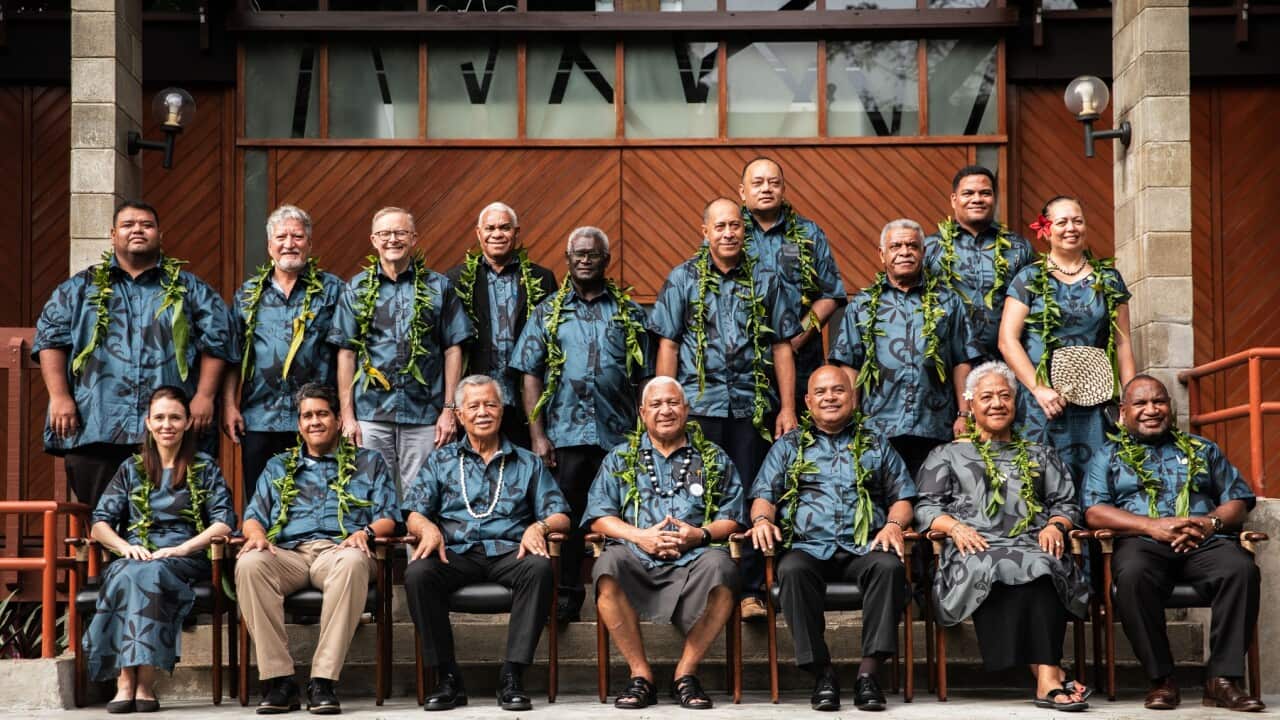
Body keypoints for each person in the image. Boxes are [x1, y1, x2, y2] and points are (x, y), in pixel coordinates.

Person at [650, 197, 801, 620]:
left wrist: (788, 408)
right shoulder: (683, 279)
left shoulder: (767, 280)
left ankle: (751, 590)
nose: (729, 233)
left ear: (744, 230)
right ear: (706, 232)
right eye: (720, 227)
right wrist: (664, 405)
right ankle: (698, 586)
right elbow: (669, 345)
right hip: (699, 412)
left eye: (735, 225)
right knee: (698, 491)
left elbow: (782, 347)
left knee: (754, 493)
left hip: (753, 411)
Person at [34, 200, 237, 506]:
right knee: (102, 515)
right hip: (97, 422)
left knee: (172, 514)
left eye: (146, 225)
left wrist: (205, 396)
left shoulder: (191, 289)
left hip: (169, 428)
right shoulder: (78, 289)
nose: (137, 230)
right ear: (113, 235)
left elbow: (218, 340)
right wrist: (60, 397)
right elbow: (51, 339)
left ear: (160, 235)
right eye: (128, 225)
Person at [915, 361, 1091, 711]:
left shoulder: (1041, 454)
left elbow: (1066, 503)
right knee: (993, 563)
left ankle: (1047, 679)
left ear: (1015, 402)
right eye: (987, 397)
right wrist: (953, 527)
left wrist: (1056, 525)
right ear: (970, 404)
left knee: (1044, 565)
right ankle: (1050, 675)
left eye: (1005, 396)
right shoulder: (947, 455)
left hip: (1032, 543)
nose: (997, 403)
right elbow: (925, 507)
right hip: (973, 548)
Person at [1084, 375, 1262, 712]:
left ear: (1170, 406)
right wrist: (1152, 526)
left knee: (1241, 570)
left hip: (1202, 539)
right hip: (1142, 541)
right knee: (1132, 576)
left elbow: (1239, 499)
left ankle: (1222, 680)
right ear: (1123, 411)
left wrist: (1210, 523)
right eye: (1141, 403)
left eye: (1159, 402)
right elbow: (1094, 511)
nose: (1152, 410)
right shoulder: (1107, 456)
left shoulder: (1203, 449)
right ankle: (1162, 679)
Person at [748, 364, 915, 712]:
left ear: (852, 397)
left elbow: (902, 497)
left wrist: (894, 525)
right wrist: (762, 519)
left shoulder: (875, 443)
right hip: (808, 547)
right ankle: (822, 674)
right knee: (791, 570)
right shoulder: (788, 445)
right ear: (808, 402)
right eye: (821, 392)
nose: (830, 398)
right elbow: (764, 494)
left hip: (864, 546)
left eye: (838, 390)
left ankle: (868, 675)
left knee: (889, 568)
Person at [403, 374, 571, 712]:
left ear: (502, 410)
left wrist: (539, 526)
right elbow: (414, 512)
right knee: (418, 573)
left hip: (510, 551)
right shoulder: (441, 460)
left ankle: (513, 675)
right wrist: (426, 528)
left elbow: (561, 515)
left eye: (490, 404)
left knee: (539, 568)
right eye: (474, 406)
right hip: (456, 553)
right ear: (459, 415)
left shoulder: (527, 461)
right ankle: (447, 678)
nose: (483, 412)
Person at [511, 226, 651, 622]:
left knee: (624, 515)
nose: (585, 260)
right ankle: (567, 596)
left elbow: (645, 376)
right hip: (564, 436)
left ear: (607, 260)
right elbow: (530, 374)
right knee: (567, 519)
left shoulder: (629, 313)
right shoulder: (548, 312)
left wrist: (644, 435)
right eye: (579, 254)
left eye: (593, 254)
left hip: (618, 436)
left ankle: (628, 595)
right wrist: (537, 434)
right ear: (568, 260)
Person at [236, 383, 399, 715]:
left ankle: (323, 680)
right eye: (307, 416)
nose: (314, 421)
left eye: (322, 414)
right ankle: (280, 681)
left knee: (352, 561)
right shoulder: (279, 466)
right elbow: (253, 517)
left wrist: (365, 532)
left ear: (338, 420)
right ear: (299, 424)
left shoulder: (369, 462)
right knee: (250, 564)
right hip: (289, 554)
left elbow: (390, 517)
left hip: (341, 551)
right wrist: (256, 536)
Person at [583, 376, 744, 710]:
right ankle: (641, 675)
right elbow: (598, 516)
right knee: (607, 566)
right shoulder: (620, 457)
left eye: (672, 403)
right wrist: (639, 536)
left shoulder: (712, 457)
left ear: (686, 409)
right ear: (643, 413)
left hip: (695, 559)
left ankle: (685, 674)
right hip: (636, 556)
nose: (665, 410)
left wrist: (699, 535)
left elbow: (733, 515)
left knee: (724, 569)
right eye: (656, 404)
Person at [85, 386, 235, 714]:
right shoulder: (131, 468)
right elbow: (99, 524)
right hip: (135, 555)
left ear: (187, 422)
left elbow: (224, 522)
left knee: (148, 572)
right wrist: (126, 547)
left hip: (185, 558)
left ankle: (142, 680)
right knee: (131, 571)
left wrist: (183, 548)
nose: (167, 425)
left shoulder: (204, 467)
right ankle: (129, 680)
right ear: (149, 423)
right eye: (160, 418)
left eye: (175, 418)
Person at [329, 207, 474, 495]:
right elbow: (346, 353)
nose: (392, 239)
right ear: (373, 240)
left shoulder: (439, 287)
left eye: (400, 233)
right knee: (371, 495)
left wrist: (449, 410)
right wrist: (347, 416)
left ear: (414, 238)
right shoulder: (356, 289)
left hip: (425, 415)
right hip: (371, 414)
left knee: (422, 497)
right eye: (385, 233)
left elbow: (453, 349)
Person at [999, 195, 1135, 488]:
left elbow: (1123, 342)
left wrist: (1130, 399)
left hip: (1095, 398)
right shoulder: (1029, 278)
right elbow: (1008, 340)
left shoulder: (1109, 279)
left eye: (1078, 221)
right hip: (1043, 401)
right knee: (1042, 477)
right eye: (1062, 222)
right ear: (1046, 230)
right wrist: (1038, 389)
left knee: (1098, 478)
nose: (1071, 228)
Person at [829, 219, 980, 477]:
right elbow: (850, 365)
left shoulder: (949, 301)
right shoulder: (862, 305)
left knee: (934, 494)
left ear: (923, 252)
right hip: (878, 426)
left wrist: (964, 414)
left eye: (912, 245)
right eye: (895, 246)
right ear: (882, 254)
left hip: (935, 424)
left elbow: (962, 361)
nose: (904, 252)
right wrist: (850, 420)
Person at [223, 205, 345, 499]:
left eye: (297, 237)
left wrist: (345, 410)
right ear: (269, 246)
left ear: (310, 244)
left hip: (316, 418)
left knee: (317, 499)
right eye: (281, 237)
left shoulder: (333, 291)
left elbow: (347, 352)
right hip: (260, 416)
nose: (289, 244)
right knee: (261, 498)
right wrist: (229, 405)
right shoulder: (248, 294)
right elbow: (233, 356)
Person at [445, 202, 557, 449]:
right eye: (490, 228)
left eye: (504, 228)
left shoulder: (542, 278)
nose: (497, 234)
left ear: (516, 233)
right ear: (479, 233)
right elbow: (449, 344)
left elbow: (553, 342)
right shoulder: (456, 280)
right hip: (476, 402)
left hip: (524, 401)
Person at [738, 157, 847, 408]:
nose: (766, 188)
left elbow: (830, 295)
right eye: (758, 183)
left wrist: (797, 337)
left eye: (774, 183)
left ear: (783, 189)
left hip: (802, 363)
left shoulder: (809, 233)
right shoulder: (730, 233)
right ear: (743, 192)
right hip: (745, 367)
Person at [924, 165, 1035, 361]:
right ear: (954, 199)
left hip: (1004, 363)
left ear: (994, 198)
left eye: (985, 193)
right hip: (948, 363)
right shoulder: (930, 248)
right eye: (968, 193)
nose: (977, 199)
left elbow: (1034, 307)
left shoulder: (1018, 248)